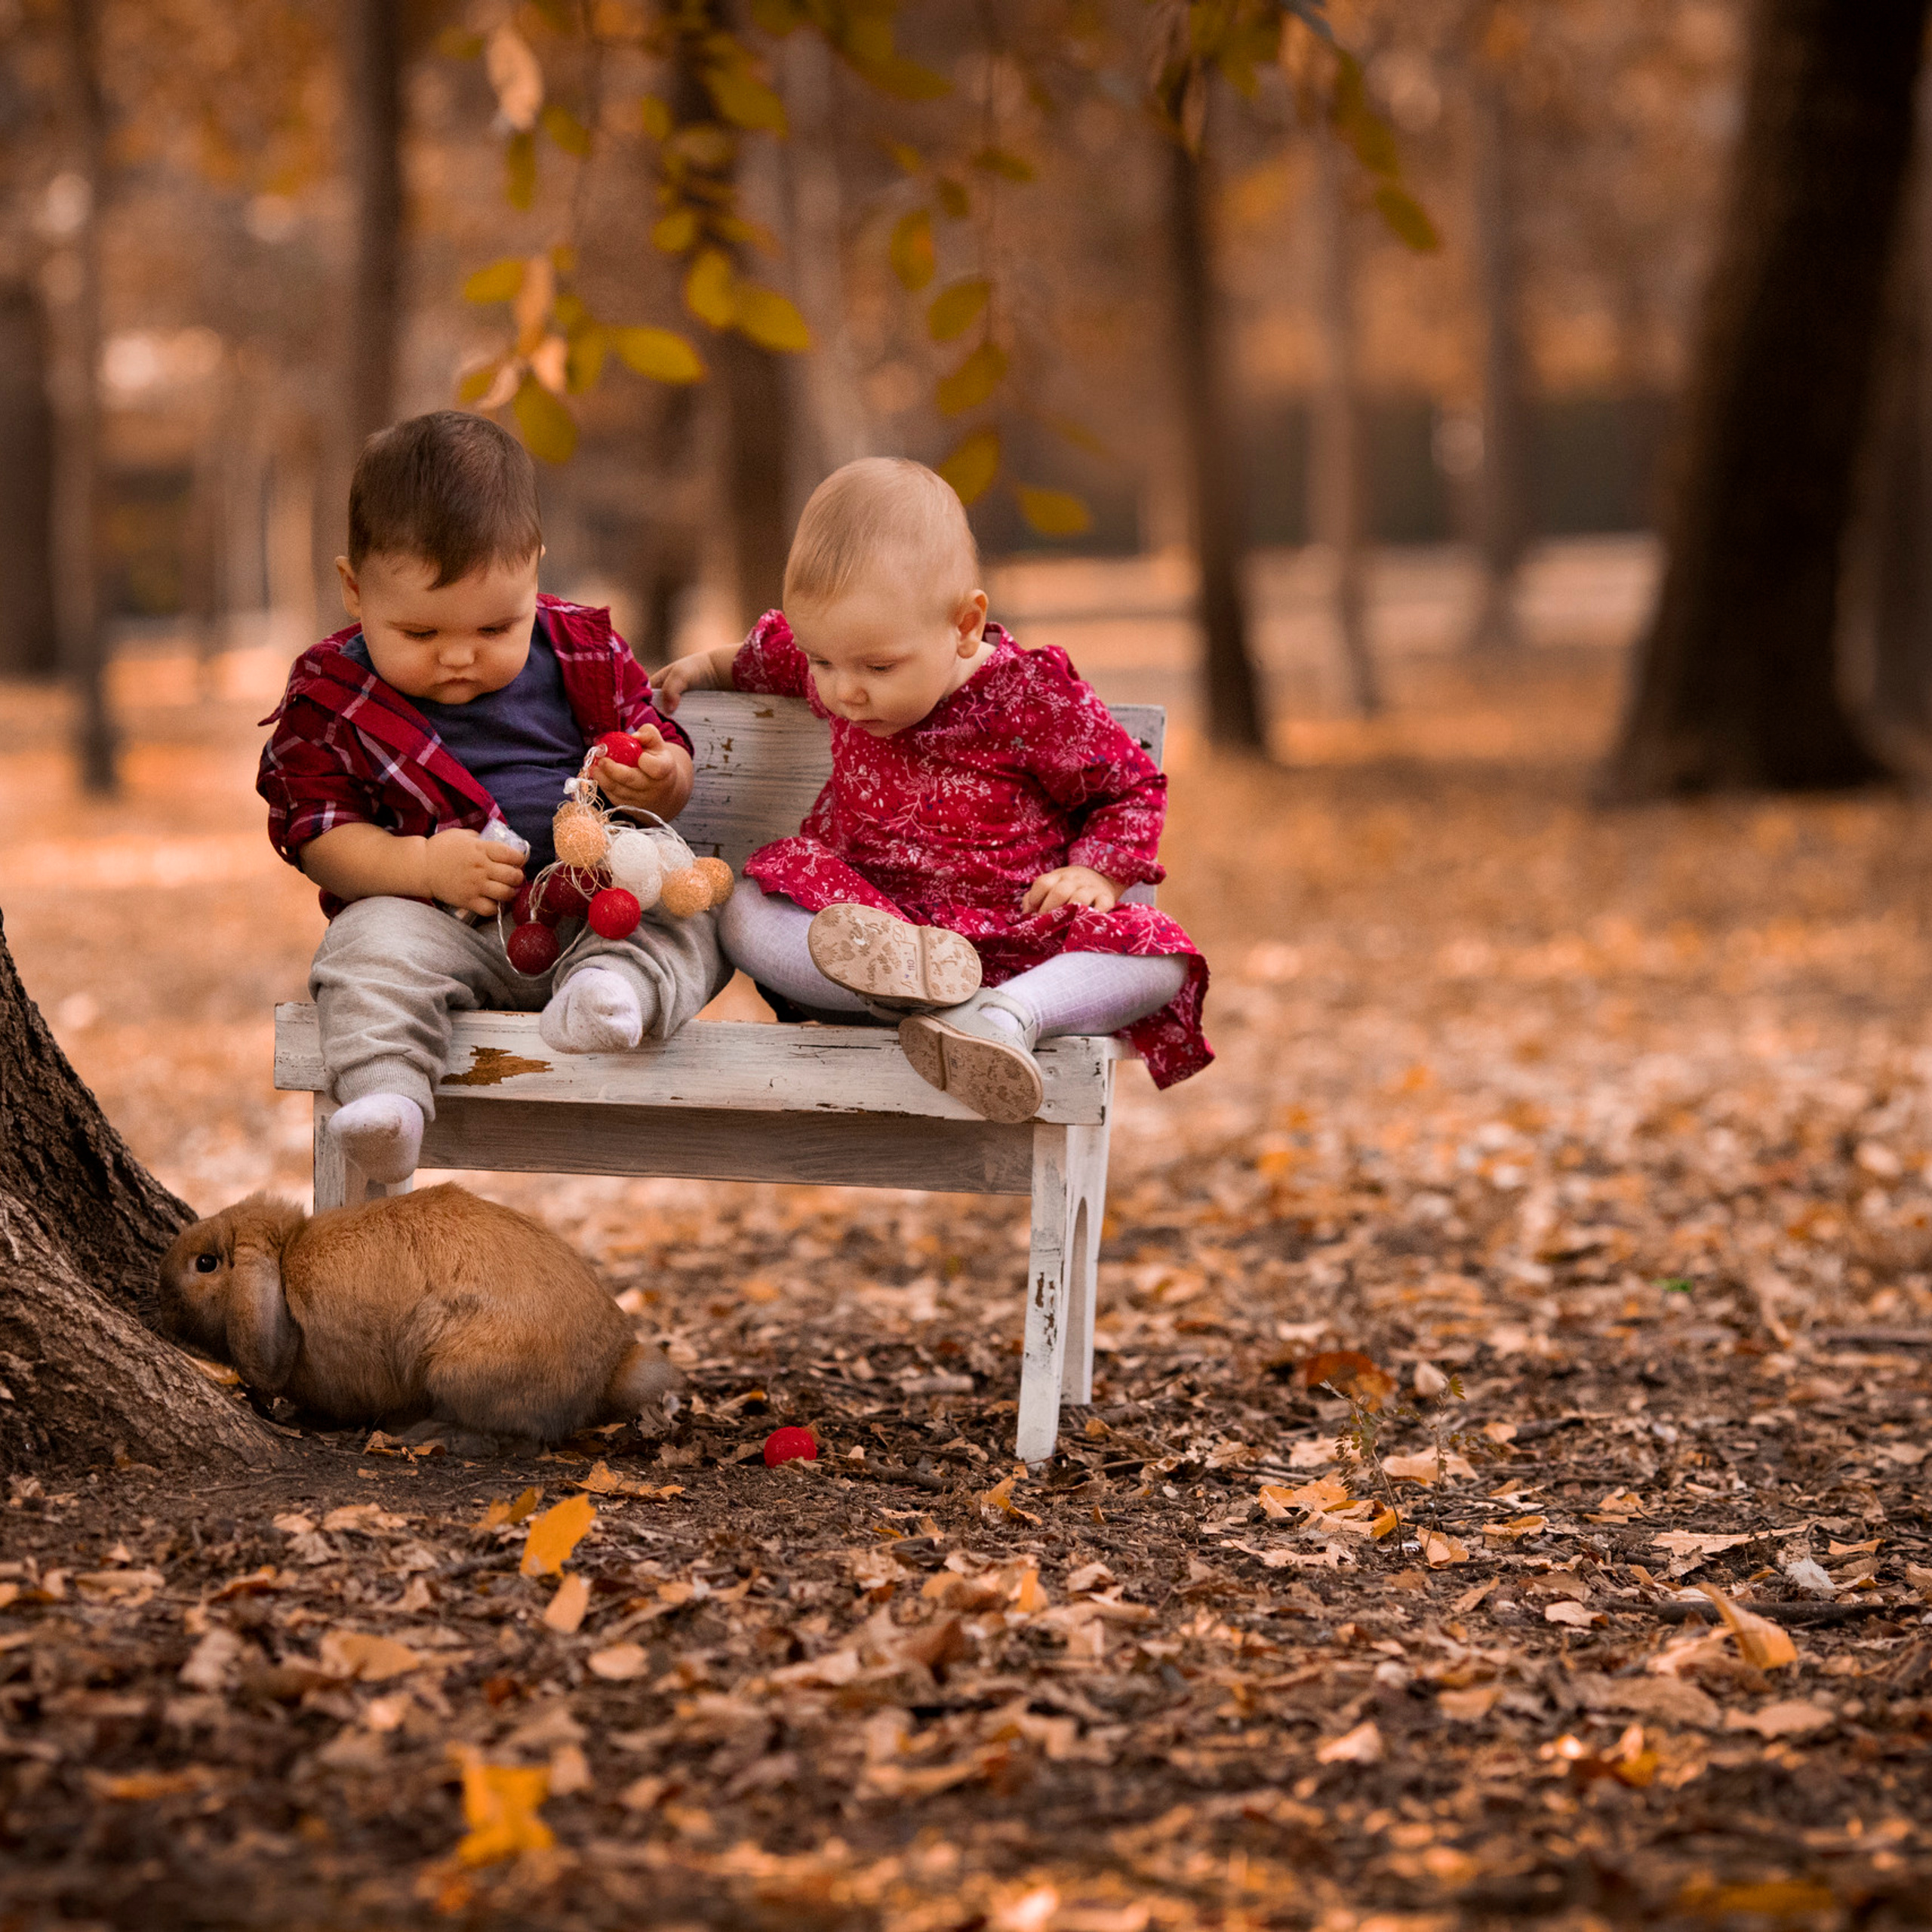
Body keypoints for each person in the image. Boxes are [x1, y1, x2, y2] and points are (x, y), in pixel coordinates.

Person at [652, 457, 1209, 1123]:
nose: (844, 691)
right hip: (868, 928)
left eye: (878, 667)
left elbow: (1130, 787)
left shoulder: (1029, 697)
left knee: (1161, 957)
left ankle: (1004, 1018)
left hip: (1010, 936)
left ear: (965, 626)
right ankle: (905, 996)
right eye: (822, 661)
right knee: (746, 909)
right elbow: (761, 659)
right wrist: (703, 667)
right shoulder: (847, 660)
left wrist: (1097, 872)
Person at [257, 411, 725, 1184]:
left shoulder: (585, 651)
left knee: (691, 914)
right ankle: (386, 1096)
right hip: (443, 931)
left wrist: (663, 776)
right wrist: (419, 867)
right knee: (364, 947)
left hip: (595, 911)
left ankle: (612, 993)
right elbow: (318, 833)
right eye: (419, 634)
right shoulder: (331, 696)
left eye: (495, 627)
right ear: (354, 589)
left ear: (533, 572)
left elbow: (659, 750)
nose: (459, 656)